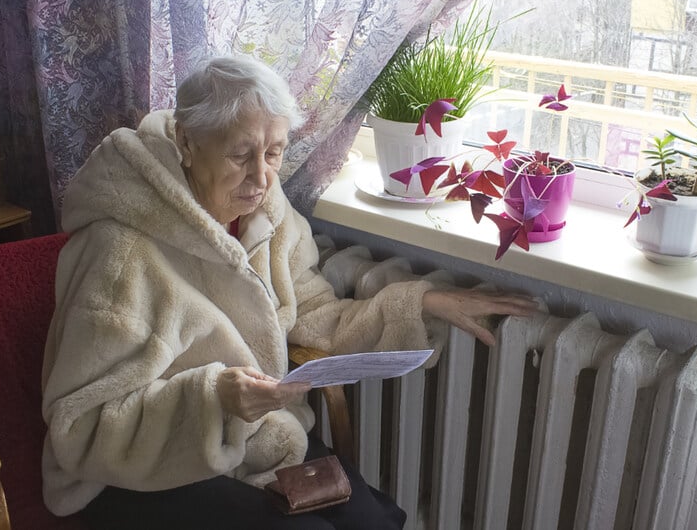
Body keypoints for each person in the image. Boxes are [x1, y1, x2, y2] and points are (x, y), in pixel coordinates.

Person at [41, 55, 540, 529]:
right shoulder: (120, 252)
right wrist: (215, 399)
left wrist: (419, 303)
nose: (261, 177)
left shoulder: (269, 217)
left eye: (274, 153)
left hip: (256, 440)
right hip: (139, 473)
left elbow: (314, 312)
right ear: (186, 142)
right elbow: (80, 426)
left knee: (378, 522)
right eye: (240, 155)